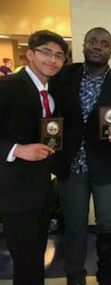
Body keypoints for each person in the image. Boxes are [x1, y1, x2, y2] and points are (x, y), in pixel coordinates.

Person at [51, 27, 111, 285]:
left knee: (107, 226)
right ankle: (74, 278)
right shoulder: (62, 76)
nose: (97, 46)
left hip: (106, 169)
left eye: (104, 43)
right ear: (83, 46)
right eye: (92, 41)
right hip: (71, 168)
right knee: (74, 227)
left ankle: (107, 276)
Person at [0, 30, 68, 285]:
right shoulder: (7, 87)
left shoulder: (52, 94)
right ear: (30, 54)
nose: (53, 60)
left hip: (42, 190)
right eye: (46, 52)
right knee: (25, 260)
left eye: (59, 56)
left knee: (34, 257)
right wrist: (17, 149)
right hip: (15, 191)